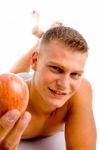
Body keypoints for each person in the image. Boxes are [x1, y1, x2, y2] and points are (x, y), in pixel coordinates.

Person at [0, 25, 97, 150]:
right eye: (56, 68)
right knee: (13, 76)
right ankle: (39, 42)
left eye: (75, 74)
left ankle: (41, 40)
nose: (64, 84)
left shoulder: (81, 89)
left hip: (37, 82)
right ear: (34, 61)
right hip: (23, 84)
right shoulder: (8, 97)